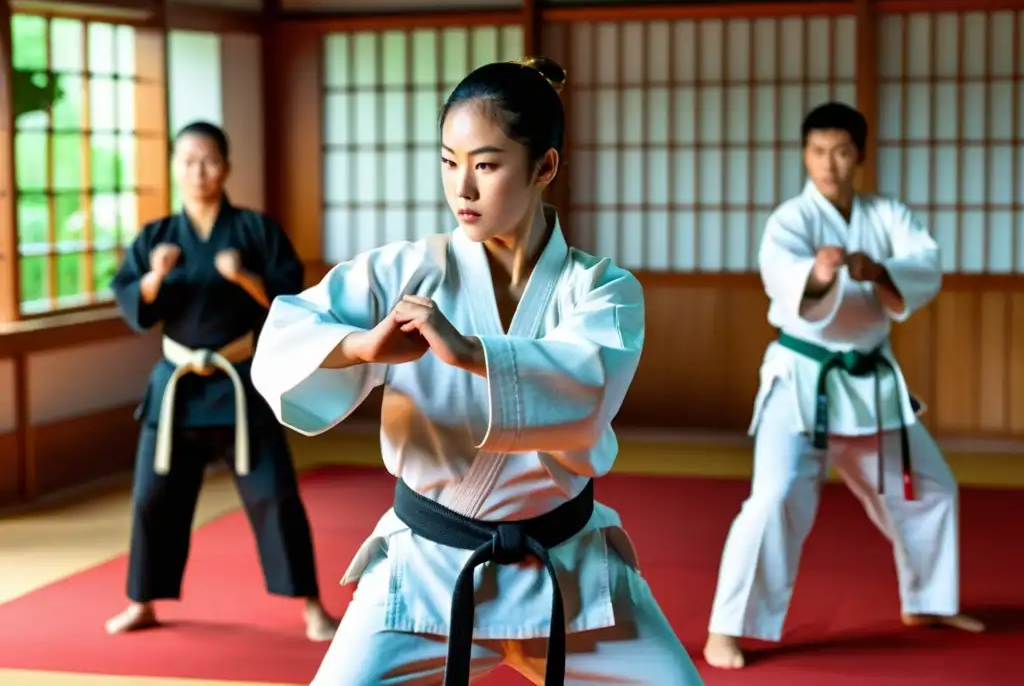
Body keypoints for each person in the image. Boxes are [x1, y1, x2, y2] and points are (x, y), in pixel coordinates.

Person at [251, 58, 703, 685]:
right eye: (448, 161)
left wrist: (469, 354)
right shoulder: (405, 271)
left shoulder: (602, 289)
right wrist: (361, 347)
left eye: (485, 165)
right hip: (428, 567)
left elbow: (589, 390)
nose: (461, 188)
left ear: (544, 166)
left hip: (565, 571)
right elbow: (287, 333)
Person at [702, 102, 985, 670]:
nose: (828, 164)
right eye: (817, 151)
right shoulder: (790, 220)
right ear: (804, 155)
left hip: (868, 381)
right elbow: (781, 278)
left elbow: (925, 263)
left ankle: (928, 602)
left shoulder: (888, 214)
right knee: (774, 496)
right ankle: (725, 629)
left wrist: (878, 270)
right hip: (800, 380)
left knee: (930, 488)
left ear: (860, 155)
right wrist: (821, 273)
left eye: (840, 151)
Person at [105, 121, 338, 642]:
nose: (198, 171)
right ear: (174, 166)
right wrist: (155, 277)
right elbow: (132, 303)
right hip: (177, 388)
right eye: (187, 160)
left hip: (240, 382)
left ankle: (312, 606)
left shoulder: (254, 232)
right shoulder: (157, 237)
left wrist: (245, 278)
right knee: (152, 497)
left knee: (275, 495)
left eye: (208, 160)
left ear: (227, 168)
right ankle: (142, 601)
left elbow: (292, 301)